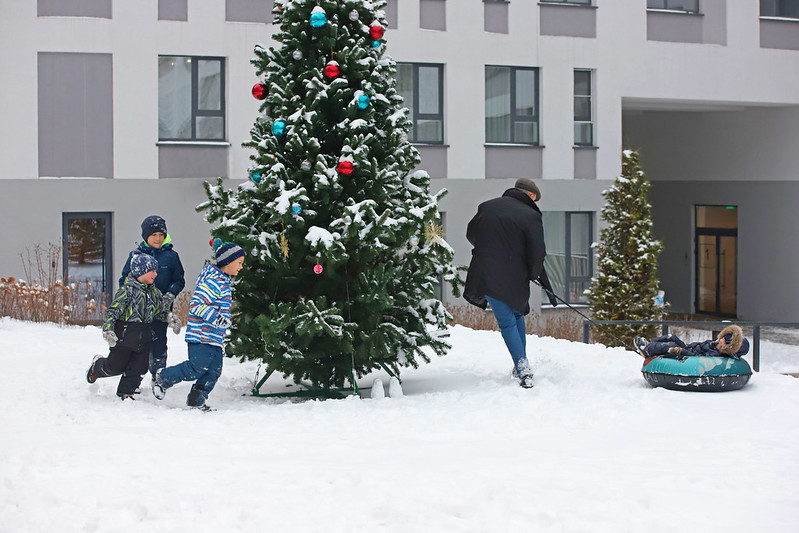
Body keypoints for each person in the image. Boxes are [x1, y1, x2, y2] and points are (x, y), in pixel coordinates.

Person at [463, 178, 557, 389]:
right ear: (531, 196)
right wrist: (533, 274)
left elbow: (471, 234)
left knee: (511, 317)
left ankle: (520, 364)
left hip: (487, 272)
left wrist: (490, 247)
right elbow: (537, 251)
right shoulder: (531, 215)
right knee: (512, 317)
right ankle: (523, 367)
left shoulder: (487, 207)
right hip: (516, 274)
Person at [152, 239, 246, 411]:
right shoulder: (212, 281)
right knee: (196, 368)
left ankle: (197, 398)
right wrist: (217, 319)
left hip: (214, 337)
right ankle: (163, 378)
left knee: (214, 371)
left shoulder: (223, 281)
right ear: (228, 261)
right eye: (239, 263)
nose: (241, 267)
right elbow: (197, 305)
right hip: (201, 335)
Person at [86, 253, 182, 399]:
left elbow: (160, 311)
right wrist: (108, 330)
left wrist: (169, 317)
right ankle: (96, 367)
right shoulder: (126, 291)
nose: (156, 274)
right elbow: (112, 312)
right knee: (115, 367)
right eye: (153, 271)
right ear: (141, 271)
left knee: (139, 368)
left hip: (144, 338)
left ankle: (126, 391)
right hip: (125, 337)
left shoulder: (154, 293)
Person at [120, 215, 185, 383]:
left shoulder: (171, 256)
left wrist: (170, 295)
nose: (157, 238)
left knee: (158, 343)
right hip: (138, 312)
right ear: (145, 236)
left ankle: (158, 377)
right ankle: (133, 379)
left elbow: (179, 279)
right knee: (137, 344)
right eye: (154, 235)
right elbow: (124, 279)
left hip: (161, 310)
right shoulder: (136, 256)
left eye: (161, 235)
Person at [633, 324, 750, 361]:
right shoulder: (714, 345)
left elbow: (700, 359)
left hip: (689, 354)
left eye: (725, 341)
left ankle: (647, 349)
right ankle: (650, 344)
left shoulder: (716, 355)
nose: (721, 339)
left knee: (672, 345)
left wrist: (682, 351)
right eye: (723, 337)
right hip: (690, 348)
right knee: (672, 337)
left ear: (729, 347)